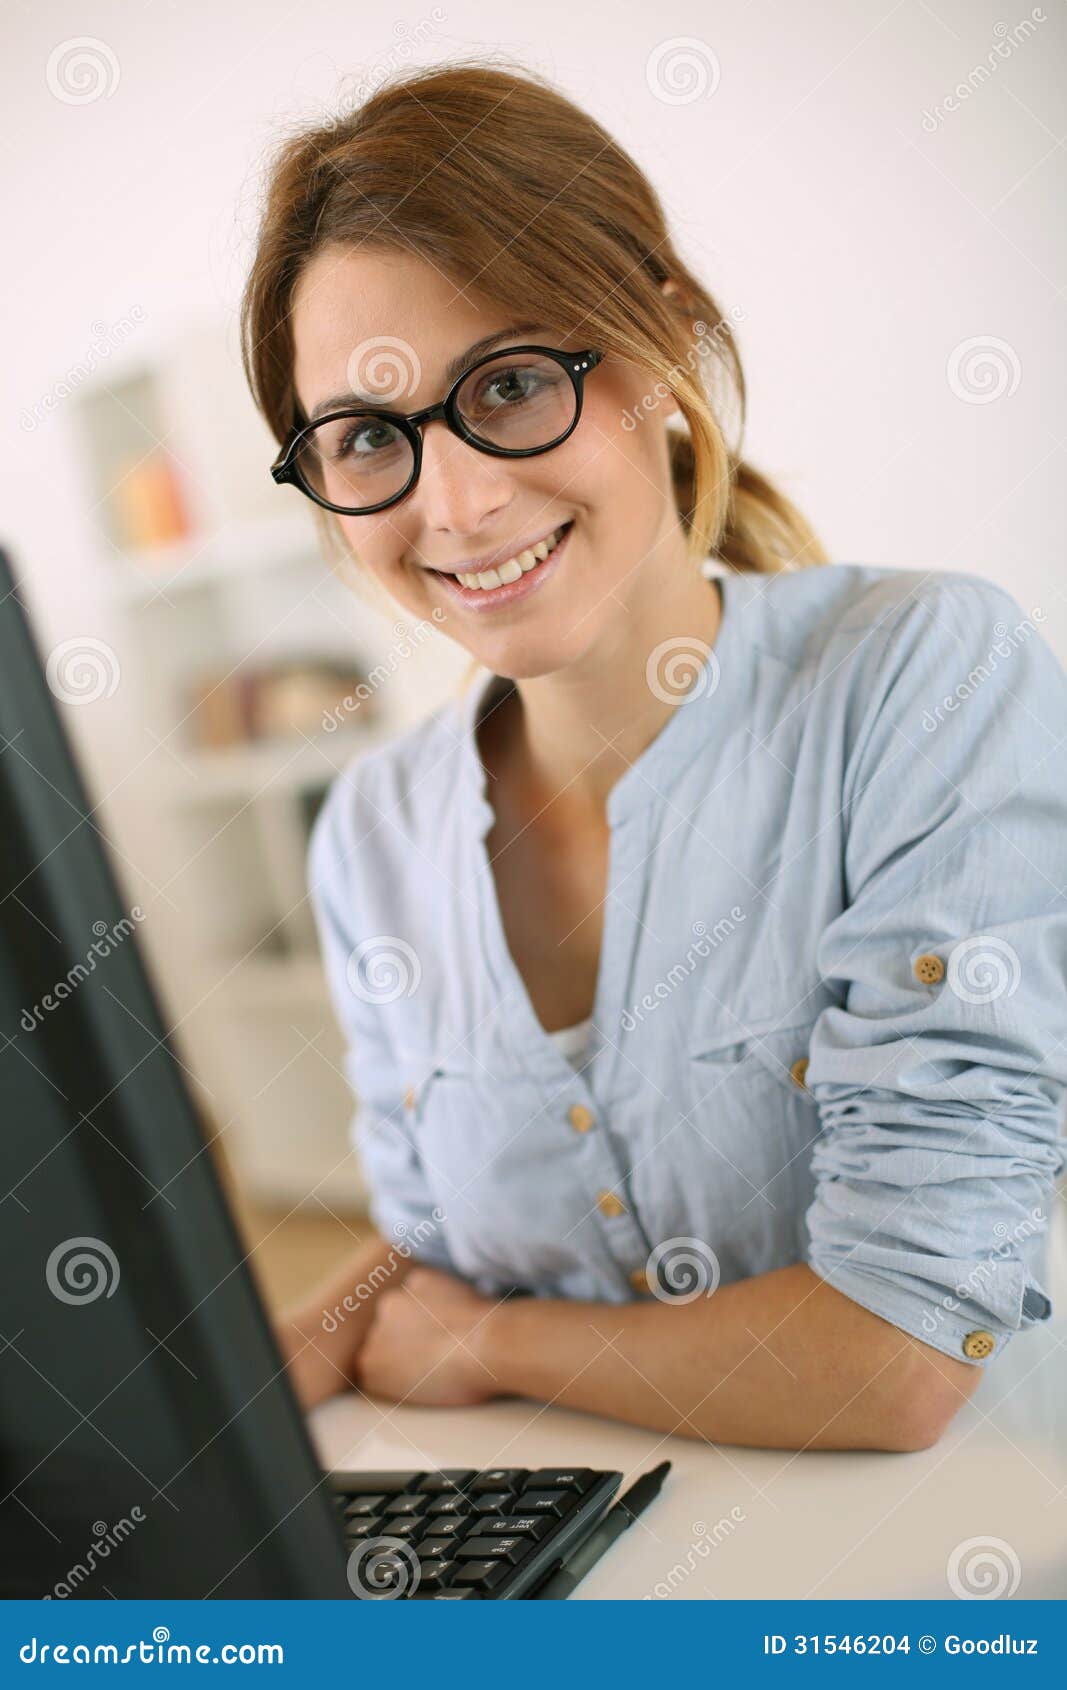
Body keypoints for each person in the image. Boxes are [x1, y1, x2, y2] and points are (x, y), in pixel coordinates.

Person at [239, 60, 1067, 1452]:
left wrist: (493, 1345)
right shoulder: (371, 830)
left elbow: (905, 1348)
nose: (454, 502)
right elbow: (438, 1251)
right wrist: (229, 1388)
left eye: (507, 384)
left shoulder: (924, 675)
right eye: (371, 435)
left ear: (663, 346)